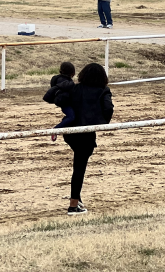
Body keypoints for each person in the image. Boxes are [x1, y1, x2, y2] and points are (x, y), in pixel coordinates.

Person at [59, 63, 114, 216]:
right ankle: (73, 205)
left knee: (79, 164)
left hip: (70, 132)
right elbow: (108, 108)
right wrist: (102, 122)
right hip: (86, 133)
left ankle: (77, 199)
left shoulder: (75, 88)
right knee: (79, 168)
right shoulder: (103, 90)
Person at [43, 61, 77, 142]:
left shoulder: (58, 79)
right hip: (65, 103)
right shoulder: (64, 81)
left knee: (70, 117)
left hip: (63, 102)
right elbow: (68, 87)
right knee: (71, 117)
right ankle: (55, 130)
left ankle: (64, 122)